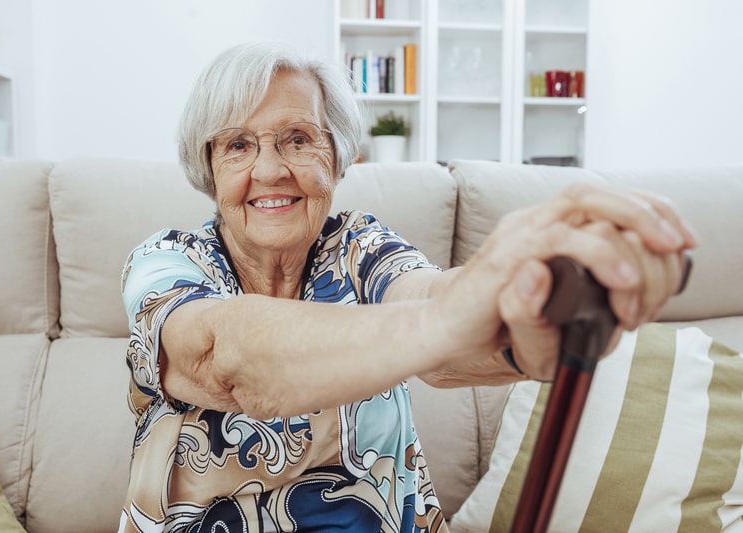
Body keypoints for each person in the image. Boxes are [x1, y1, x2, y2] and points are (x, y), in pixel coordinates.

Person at [118, 41, 695, 532]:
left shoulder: (361, 247)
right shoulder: (168, 261)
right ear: (209, 167)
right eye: (239, 145)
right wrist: (446, 322)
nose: (270, 170)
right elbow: (221, 357)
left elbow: (428, 303)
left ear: (338, 158)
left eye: (297, 138)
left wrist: (531, 299)